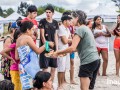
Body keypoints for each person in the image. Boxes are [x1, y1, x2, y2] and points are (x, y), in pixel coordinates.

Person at [52, 10, 100, 90]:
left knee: (84, 88)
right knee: (89, 87)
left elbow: (72, 48)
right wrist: (63, 52)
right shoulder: (86, 28)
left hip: (88, 61)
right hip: (96, 60)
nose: (71, 20)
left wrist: (58, 52)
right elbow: (79, 48)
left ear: (77, 18)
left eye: (72, 18)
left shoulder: (80, 29)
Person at [15, 21, 53, 89]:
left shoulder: (18, 39)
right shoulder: (27, 38)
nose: (33, 31)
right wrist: (46, 44)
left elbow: (16, 57)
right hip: (31, 66)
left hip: (23, 67)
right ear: (27, 30)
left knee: (26, 87)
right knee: (34, 86)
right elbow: (38, 51)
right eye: (32, 29)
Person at [39, 5, 59, 81]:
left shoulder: (55, 22)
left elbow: (55, 36)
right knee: (45, 69)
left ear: (53, 13)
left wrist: (57, 49)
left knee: (53, 68)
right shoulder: (42, 21)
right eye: (46, 12)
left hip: (53, 48)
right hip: (44, 48)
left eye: (49, 12)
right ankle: (45, 86)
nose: (48, 14)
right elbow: (42, 37)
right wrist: (47, 48)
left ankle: (51, 85)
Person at [57, 15, 72, 89]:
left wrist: (70, 39)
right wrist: (71, 40)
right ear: (65, 21)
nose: (70, 22)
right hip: (61, 50)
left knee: (64, 68)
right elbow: (65, 41)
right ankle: (59, 85)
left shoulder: (67, 29)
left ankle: (62, 83)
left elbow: (69, 39)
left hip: (66, 49)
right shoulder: (61, 28)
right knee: (60, 69)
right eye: (69, 20)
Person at [62, 11, 77, 85]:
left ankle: (72, 79)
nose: (70, 19)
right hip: (65, 46)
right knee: (64, 63)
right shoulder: (61, 26)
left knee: (72, 62)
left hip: (70, 46)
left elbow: (72, 35)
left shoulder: (71, 26)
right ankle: (64, 79)